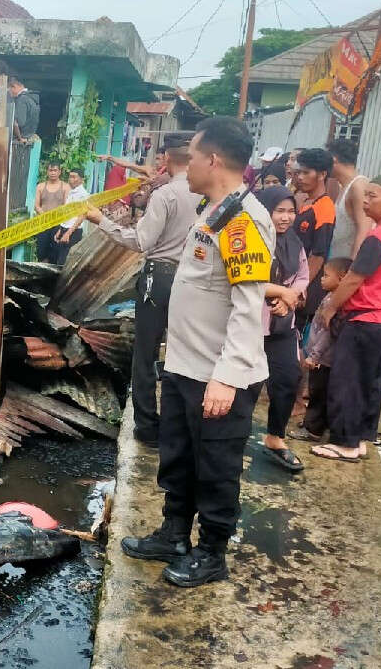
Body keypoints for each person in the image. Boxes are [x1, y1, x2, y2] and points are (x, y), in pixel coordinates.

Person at [118, 116, 275, 588]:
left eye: (193, 157)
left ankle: (211, 552)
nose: (185, 168)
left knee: (216, 468)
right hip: (186, 366)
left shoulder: (244, 222)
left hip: (217, 376)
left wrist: (227, 377)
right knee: (179, 457)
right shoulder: (214, 210)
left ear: (213, 160)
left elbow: (249, 308)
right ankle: (173, 533)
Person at [85, 144, 201, 448]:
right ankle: (180, 427)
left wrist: (101, 222)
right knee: (183, 352)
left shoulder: (166, 194)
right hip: (194, 278)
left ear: (166, 159)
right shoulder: (209, 195)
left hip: (159, 277)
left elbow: (141, 240)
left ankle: (148, 428)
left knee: (146, 354)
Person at [311, 175, 381, 462]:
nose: (365, 201)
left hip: (366, 319)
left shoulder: (380, 236)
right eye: (365, 195)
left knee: (348, 381)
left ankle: (345, 442)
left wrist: (332, 306)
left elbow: (354, 278)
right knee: (371, 382)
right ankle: (359, 440)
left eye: (372, 196)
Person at [251, 186, 310, 472]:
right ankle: (227, 436)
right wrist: (280, 294)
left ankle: (275, 437)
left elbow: (302, 276)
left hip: (282, 326)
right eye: (279, 211)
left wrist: (291, 297)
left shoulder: (294, 243)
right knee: (244, 385)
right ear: (264, 210)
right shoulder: (250, 238)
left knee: (287, 377)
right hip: (250, 324)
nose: (286, 218)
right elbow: (241, 280)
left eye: (291, 212)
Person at [292, 257, 352, 442]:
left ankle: (313, 430)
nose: (321, 279)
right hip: (319, 357)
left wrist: (315, 356)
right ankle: (313, 422)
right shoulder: (329, 297)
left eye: (326, 276)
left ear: (341, 279)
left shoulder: (335, 302)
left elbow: (327, 334)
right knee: (316, 391)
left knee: (319, 394)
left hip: (324, 360)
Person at [292, 148, 336, 333]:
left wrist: (300, 288)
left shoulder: (325, 207)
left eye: (306, 172)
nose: (300, 177)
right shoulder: (306, 204)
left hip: (306, 288)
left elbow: (318, 254)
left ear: (322, 174)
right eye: (298, 172)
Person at [326, 139, 373, 258]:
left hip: (347, 266)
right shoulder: (343, 186)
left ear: (333, 160)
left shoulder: (358, 186)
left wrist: (352, 268)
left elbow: (364, 229)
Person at [34, 162, 68, 263]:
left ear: (59, 172)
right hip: (43, 223)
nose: (53, 173)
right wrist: (46, 216)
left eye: (55, 170)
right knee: (41, 249)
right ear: (47, 172)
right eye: (50, 170)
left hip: (58, 224)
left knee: (56, 250)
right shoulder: (40, 186)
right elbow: (36, 206)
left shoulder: (65, 187)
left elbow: (66, 206)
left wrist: (56, 218)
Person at [53, 170, 89, 264]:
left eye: (74, 177)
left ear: (81, 179)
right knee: (59, 258)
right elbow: (67, 214)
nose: (71, 179)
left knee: (65, 261)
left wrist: (68, 233)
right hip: (65, 228)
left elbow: (82, 216)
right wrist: (60, 229)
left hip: (73, 231)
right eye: (70, 177)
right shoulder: (71, 192)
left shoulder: (83, 194)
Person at [9, 75, 40, 144]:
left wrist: (19, 138)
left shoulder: (22, 99)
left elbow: (19, 123)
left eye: (9, 88)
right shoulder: (32, 98)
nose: (9, 92)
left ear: (13, 86)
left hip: (20, 142)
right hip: (29, 138)